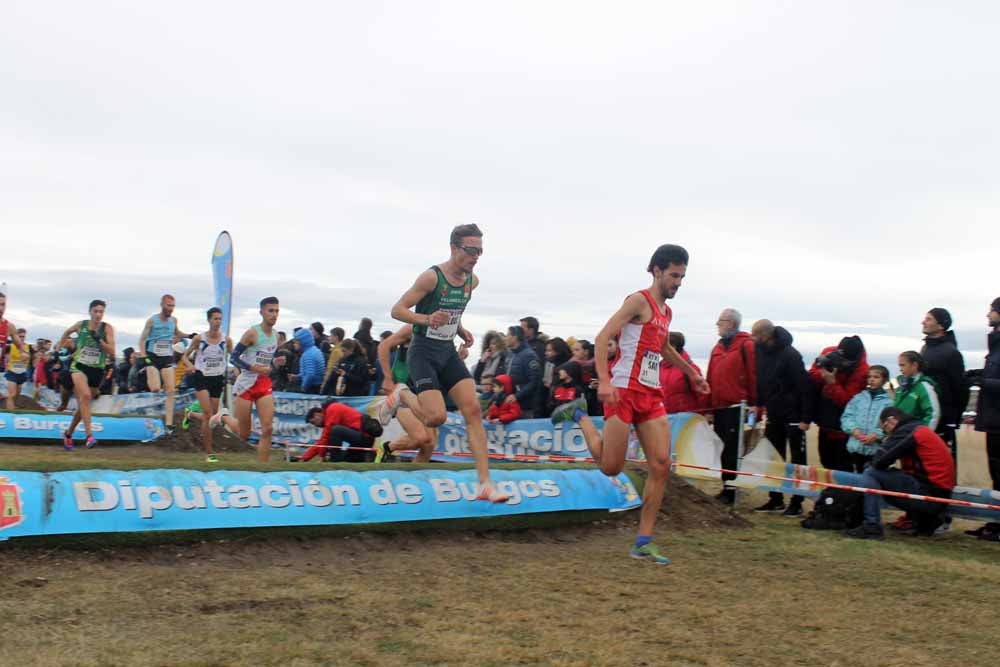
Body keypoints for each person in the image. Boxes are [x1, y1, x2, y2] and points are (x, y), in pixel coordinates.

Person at [554, 244, 709, 564]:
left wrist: (691, 373)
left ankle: (643, 541)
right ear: (656, 271)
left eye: (682, 277)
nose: (678, 282)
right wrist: (605, 381)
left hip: (651, 396)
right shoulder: (638, 300)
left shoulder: (666, 312)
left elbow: (664, 347)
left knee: (661, 464)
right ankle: (580, 414)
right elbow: (601, 338)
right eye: (674, 275)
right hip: (623, 391)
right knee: (611, 467)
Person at [381, 223, 509, 502]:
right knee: (435, 417)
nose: (476, 256)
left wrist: (459, 328)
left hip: (447, 351)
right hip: (423, 351)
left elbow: (453, 311)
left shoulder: (471, 281)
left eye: (480, 251)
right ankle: (401, 394)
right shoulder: (431, 277)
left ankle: (485, 483)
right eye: (471, 250)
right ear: (454, 248)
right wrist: (426, 319)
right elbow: (397, 310)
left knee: (473, 410)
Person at [844, 407, 955, 539]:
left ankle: (871, 526)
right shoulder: (919, 429)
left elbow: (880, 460)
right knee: (879, 475)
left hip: (930, 495)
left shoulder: (907, 431)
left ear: (891, 421)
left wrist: (881, 449)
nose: (885, 433)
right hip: (938, 493)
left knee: (870, 473)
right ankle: (925, 521)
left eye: (884, 428)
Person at [750, 320, 813, 515]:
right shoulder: (760, 352)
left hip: (793, 415)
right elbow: (762, 382)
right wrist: (758, 404)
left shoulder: (790, 355)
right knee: (772, 456)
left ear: (766, 336)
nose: (752, 339)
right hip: (773, 413)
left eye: (755, 335)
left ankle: (797, 502)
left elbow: (805, 387)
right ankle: (775, 499)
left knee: (797, 460)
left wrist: (806, 418)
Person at [706, 308, 756, 505]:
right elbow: (710, 377)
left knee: (734, 451)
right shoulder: (717, 348)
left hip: (738, 407)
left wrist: (754, 405)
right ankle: (726, 487)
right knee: (722, 449)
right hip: (719, 407)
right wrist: (709, 409)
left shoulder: (746, 345)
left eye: (721, 321)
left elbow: (753, 375)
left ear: (731, 323)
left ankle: (732, 490)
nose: (718, 325)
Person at [230, 297, 285, 463]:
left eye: (276, 311)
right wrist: (254, 368)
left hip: (263, 383)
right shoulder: (252, 333)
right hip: (246, 384)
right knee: (244, 434)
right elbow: (233, 358)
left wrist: (275, 363)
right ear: (261, 312)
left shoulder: (275, 336)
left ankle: (263, 468)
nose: (274, 315)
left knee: (268, 428)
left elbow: (267, 363)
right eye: (270, 311)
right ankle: (223, 417)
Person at [55, 300, 116, 450]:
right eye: (95, 311)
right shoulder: (81, 325)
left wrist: (99, 340)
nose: (98, 315)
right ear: (90, 312)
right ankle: (89, 436)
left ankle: (68, 434)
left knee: (85, 403)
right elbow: (67, 332)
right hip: (79, 366)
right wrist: (59, 346)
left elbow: (112, 351)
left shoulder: (107, 328)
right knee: (86, 396)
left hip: (97, 370)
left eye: (101, 312)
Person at [184, 307, 239, 463]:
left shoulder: (226, 340)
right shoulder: (199, 339)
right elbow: (185, 356)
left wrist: (237, 370)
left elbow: (234, 357)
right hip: (201, 376)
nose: (218, 322)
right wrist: (190, 366)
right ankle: (209, 453)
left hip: (217, 378)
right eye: (215, 319)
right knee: (208, 414)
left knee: (212, 418)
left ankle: (190, 414)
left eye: (220, 319)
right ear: (209, 320)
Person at [808, 335, 869, 472]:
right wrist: (823, 372)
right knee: (825, 460)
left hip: (844, 428)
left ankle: (843, 493)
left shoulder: (862, 371)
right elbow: (812, 374)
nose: (842, 364)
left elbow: (848, 402)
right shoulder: (828, 353)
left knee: (842, 465)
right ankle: (832, 491)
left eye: (846, 362)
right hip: (824, 421)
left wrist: (832, 383)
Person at [376, 325, 438, 462]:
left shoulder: (442, 333)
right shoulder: (413, 328)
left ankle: (416, 477)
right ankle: (385, 448)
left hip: (424, 391)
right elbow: (383, 346)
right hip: (402, 390)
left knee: (429, 444)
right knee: (421, 437)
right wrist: (387, 377)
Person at [966, 297, 1000, 540]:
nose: (988, 315)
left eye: (992, 311)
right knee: (996, 474)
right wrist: (979, 374)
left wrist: (983, 382)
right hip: (993, 419)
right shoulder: (995, 344)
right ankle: (996, 523)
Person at [920, 308, 968, 474]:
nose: (923, 322)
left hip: (944, 418)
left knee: (942, 464)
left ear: (940, 325)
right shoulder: (925, 348)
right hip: (925, 414)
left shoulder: (951, 353)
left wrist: (953, 419)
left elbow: (960, 389)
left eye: (928, 319)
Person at [137, 295, 188, 432]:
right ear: (162, 305)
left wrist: (189, 335)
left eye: (173, 306)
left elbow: (177, 332)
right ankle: (153, 415)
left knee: (171, 390)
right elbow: (141, 340)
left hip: (167, 357)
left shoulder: (173, 320)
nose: (171, 309)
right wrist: (144, 356)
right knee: (155, 388)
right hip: (152, 357)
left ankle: (169, 423)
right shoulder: (152, 321)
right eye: (168, 306)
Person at [841, 365, 891, 472]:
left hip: (875, 450)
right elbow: (846, 417)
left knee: (871, 478)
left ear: (885, 380)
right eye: (869, 377)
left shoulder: (889, 402)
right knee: (855, 479)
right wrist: (853, 429)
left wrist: (877, 434)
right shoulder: (858, 398)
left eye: (876, 377)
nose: (872, 379)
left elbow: (890, 423)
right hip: (855, 447)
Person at [299, 402, 383, 463]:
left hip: (364, 437)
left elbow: (325, 437)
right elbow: (322, 442)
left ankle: (334, 461)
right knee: (347, 460)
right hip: (362, 439)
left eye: (314, 422)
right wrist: (304, 458)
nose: (315, 425)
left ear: (317, 414)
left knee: (335, 430)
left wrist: (322, 456)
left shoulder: (332, 409)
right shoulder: (331, 411)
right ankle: (368, 455)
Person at [659, 332, 707, 415]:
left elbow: (702, 395)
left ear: (673, 347)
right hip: (664, 417)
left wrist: (707, 413)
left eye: (662, 345)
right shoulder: (659, 367)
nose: (659, 348)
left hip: (688, 419)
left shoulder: (691, 369)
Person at [892, 351, 941, 430]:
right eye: (899, 366)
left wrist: (924, 435)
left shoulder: (924, 386)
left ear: (914, 365)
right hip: (900, 435)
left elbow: (933, 414)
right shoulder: (900, 388)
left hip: (914, 435)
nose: (900, 369)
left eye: (903, 365)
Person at [503, 325, 542, 419]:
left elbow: (534, 381)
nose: (505, 338)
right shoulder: (510, 354)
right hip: (510, 403)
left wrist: (517, 396)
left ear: (515, 337)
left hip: (525, 406)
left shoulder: (529, 355)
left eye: (507, 335)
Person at [0, 294, 29, 409]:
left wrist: (23, 352)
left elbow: (19, 344)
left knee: (14, 395)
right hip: (12, 371)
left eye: (3, 305)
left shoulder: (9, 326)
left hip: (18, 371)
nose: (1, 308)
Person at [4, 327, 32, 410]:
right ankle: (9, 413)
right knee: (12, 394)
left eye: (23, 336)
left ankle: (13, 408)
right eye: (20, 336)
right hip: (12, 372)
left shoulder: (28, 347)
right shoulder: (10, 346)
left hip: (22, 373)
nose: (22, 338)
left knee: (17, 395)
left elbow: (34, 355)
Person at [293, 327, 325, 394]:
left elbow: (310, 374)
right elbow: (308, 371)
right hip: (317, 385)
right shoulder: (315, 350)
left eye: (296, 341)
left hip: (312, 388)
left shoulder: (308, 354)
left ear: (303, 341)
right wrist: (297, 376)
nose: (294, 344)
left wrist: (303, 387)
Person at [321, 327, 346, 394]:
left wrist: (323, 385)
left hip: (331, 385)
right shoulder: (341, 349)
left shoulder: (336, 351)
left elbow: (330, 369)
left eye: (331, 335)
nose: (329, 338)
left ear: (336, 337)